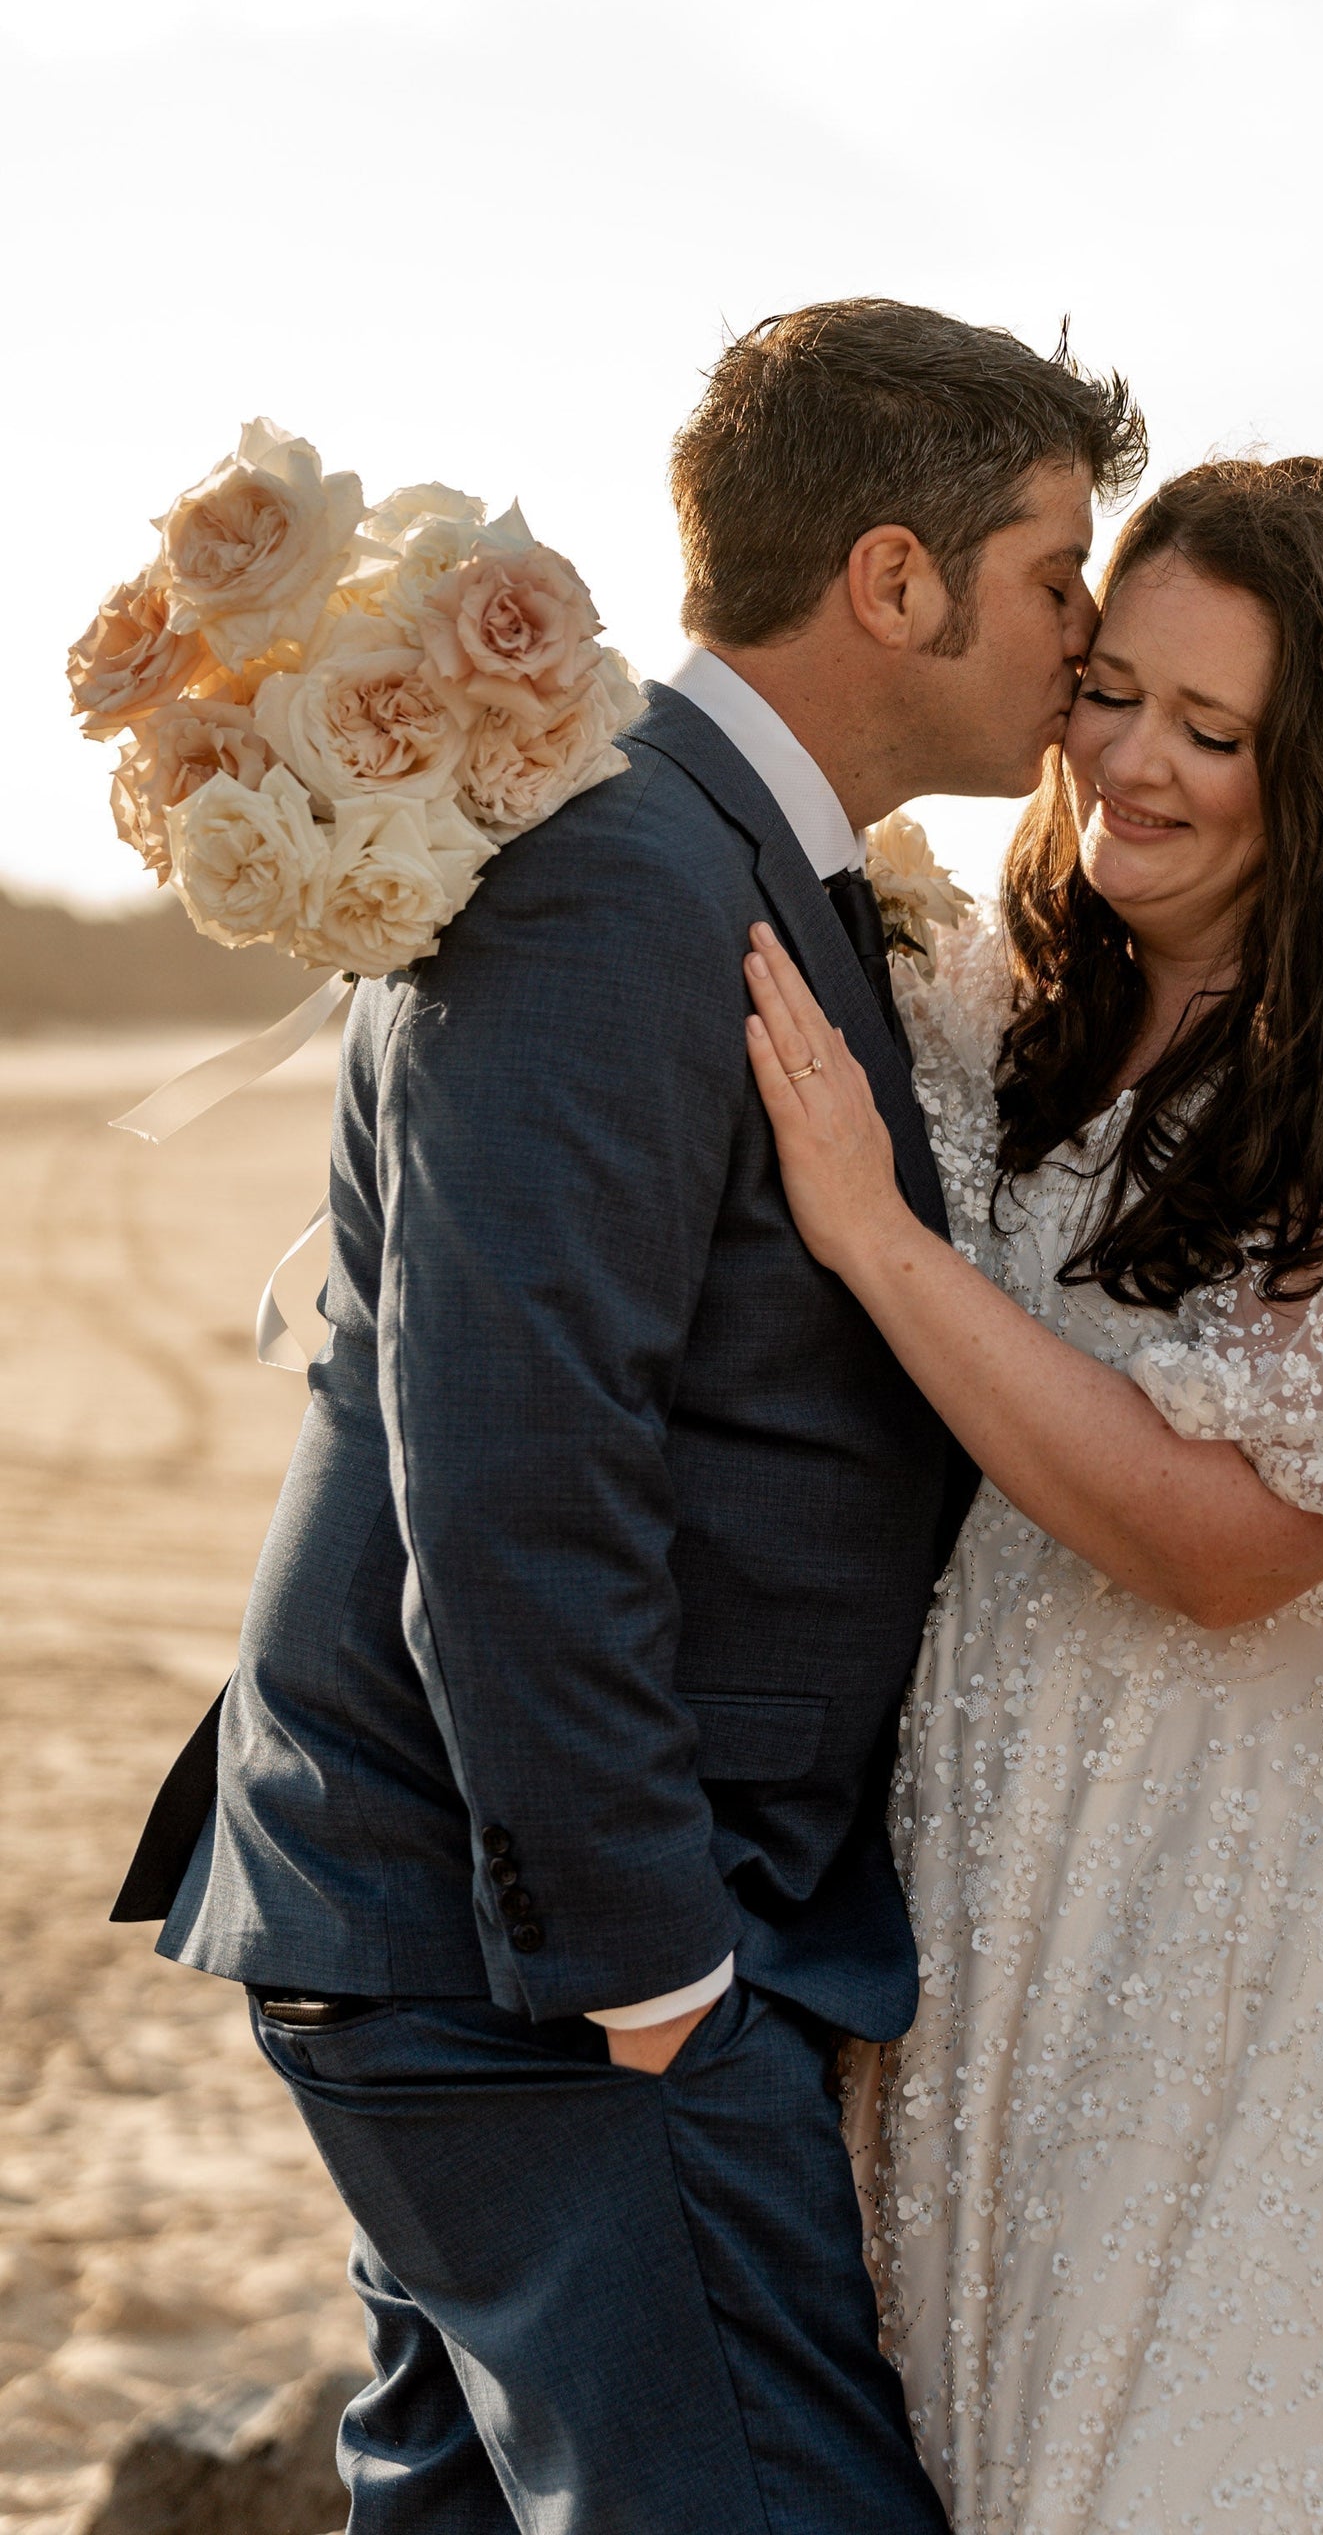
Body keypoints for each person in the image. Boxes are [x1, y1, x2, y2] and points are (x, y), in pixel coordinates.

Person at [110, 300, 1145, 2534]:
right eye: (1057, 572)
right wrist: (648, 1963)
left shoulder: (720, 857)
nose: (1085, 634)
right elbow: (509, 1451)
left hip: (499, 1930)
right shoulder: (614, 881)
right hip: (534, 1949)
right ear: (894, 579)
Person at [743, 454, 1323, 2535]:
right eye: (1110, 688)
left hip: (1303, 1937)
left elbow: (1224, 1548)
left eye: (1210, 732)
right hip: (1002, 1905)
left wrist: (881, 1242)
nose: (1129, 763)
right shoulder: (997, 1008)